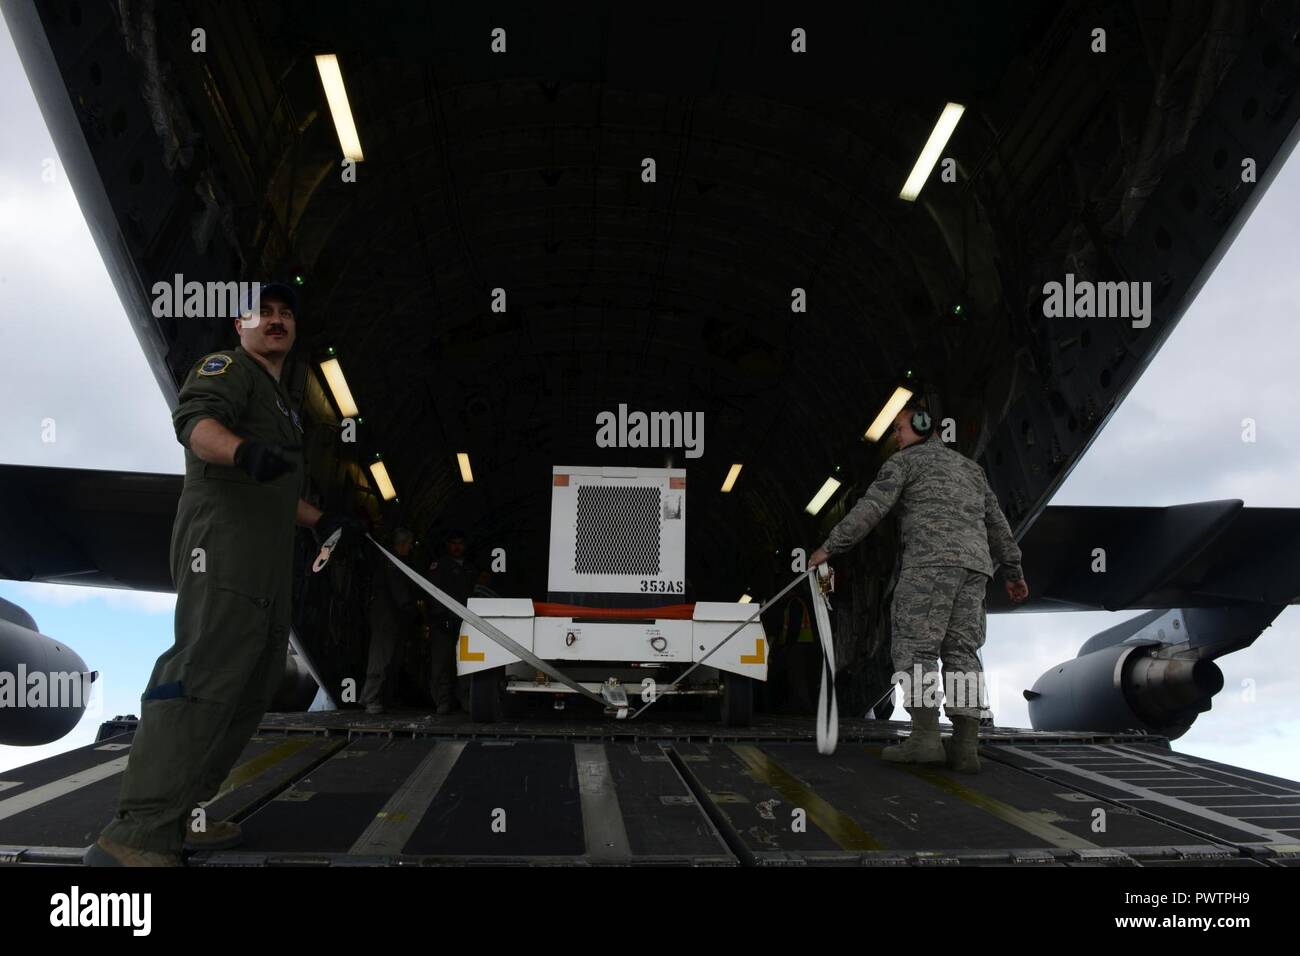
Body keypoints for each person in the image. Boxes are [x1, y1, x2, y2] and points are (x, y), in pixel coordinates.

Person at [86, 282, 359, 866]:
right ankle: (135, 834)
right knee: (203, 673)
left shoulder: (281, 401)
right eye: (263, 312)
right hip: (222, 547)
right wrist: (240, 452)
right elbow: (196, 425)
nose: (276, 320)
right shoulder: (228, 367)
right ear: (240, 324)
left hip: (265, 559)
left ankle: (181, 815)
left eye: (286, 313)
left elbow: (278, 491)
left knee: (254, 682)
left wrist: (320, 519)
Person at [808, 402, 1028, 773]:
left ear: (924, 426)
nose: (895, 436)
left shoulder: (903, 464)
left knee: (916, 648)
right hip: (975, 570)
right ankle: (964, 747)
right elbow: (999, 525)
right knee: (962, 652)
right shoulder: (972, 470)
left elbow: (870, 509)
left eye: (900, 428)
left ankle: (925, 737)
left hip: (930, 564)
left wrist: (829, 547)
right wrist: (1013, 572)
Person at [361, 528, 421, 714]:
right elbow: (399, 591)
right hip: (386, 616)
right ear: (402, 544)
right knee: (381, 656)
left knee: (394, 658)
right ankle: (370, 698)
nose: (410, 548)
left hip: (396, 617)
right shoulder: (392, 563)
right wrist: (413, 610)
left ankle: (385, 697)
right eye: (409, 545)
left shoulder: (397, 561)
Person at [427, 529, 477, 714]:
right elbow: (433, 593)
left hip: (466, 623)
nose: (457, 547)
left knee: (466, 664)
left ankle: (466, 700)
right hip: (443, 622)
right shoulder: (439, 566)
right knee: (442, 664)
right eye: (453, 542)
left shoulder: (471, 568)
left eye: (460, 543)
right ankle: (443, 701)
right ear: (447, 545)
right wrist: (441, 616)